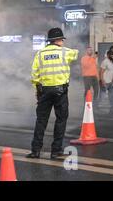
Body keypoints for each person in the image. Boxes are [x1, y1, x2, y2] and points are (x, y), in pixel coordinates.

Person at [27, 28, 79, 159]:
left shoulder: (40, 53)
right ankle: (56, 151)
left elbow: (34, 74)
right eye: (62, 39)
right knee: (61, 119)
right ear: (58, 40)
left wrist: (37, 89)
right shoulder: (65, 51)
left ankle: (35, 151)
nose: (63, 41)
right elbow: (76, 54)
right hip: (60, 92)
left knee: (41, 121)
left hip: (44, 91)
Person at [100, 51, 113, 116]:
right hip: (105, 82)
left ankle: (112, 110)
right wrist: (103, 81)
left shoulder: (111, 62)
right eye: (112, 55)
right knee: (102, 97)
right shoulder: (105, 61)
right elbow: (101, 72)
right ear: (108, 55)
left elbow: (111, 72)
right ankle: (97, 110)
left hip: (111, 82)